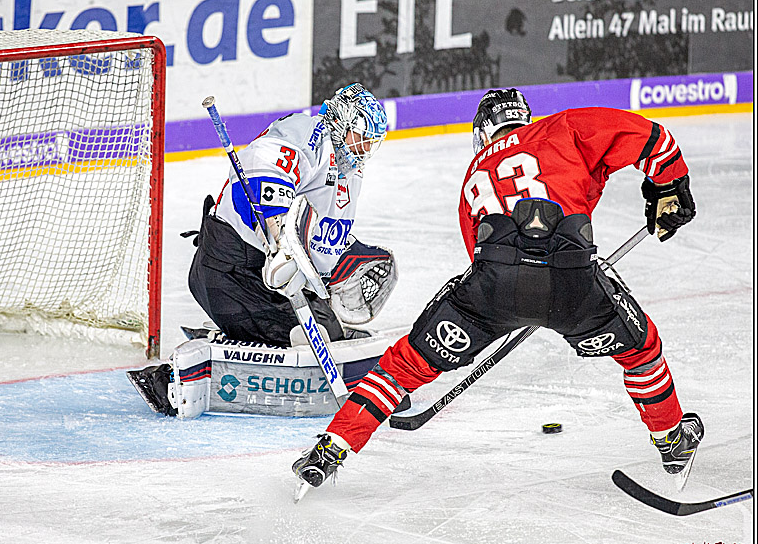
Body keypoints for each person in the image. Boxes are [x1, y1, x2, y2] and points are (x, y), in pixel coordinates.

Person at [293, 88, 702, 490]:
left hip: (494, 288)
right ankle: (671, 440)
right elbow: (653, 138)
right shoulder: (562, 128)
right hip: (571, 283)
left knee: (403, 367)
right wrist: (669, 188)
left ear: (483, 130)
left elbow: (478, 257)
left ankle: (332, 447)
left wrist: (519, 303)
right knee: (641, 350)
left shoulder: (474, 175)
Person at [187, 82, 392, 347]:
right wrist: (279, 239)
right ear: (339, 123)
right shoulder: (309, 133)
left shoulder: (351, 172)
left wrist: (343, 263)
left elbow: (318, 237)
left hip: (263, 275)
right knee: (312, 338)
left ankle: (236, 332)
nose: (364, 151)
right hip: (229, 270)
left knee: (329, 329)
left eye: (371, 143)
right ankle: (210, 352)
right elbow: (259, 168)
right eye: (360, 138)